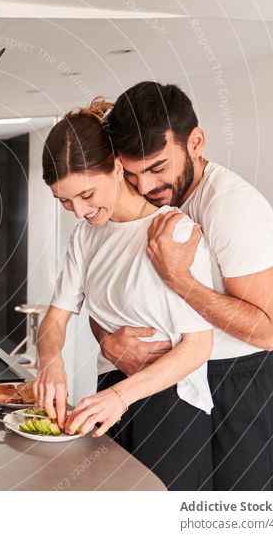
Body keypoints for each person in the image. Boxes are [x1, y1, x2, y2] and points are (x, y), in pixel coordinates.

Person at [98, 81, 273, 491]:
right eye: (131, 174)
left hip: (238, 385)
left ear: (196, 141)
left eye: (157, 168)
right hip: (175, 384)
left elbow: (268, 329)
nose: (146, 187)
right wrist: (105, 339)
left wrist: (179, 279)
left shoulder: (232, 206)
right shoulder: (144, 204)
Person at [34, 98, 216, 490]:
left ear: (117, 166)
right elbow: (55, 318)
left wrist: (120, 397)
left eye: (86, 195)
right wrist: (50, 359)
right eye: (64, 201)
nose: (78, 210)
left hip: (172, 405)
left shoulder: (172, 230)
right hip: (111, 396)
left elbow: (198, 346)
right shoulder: (86, 236)